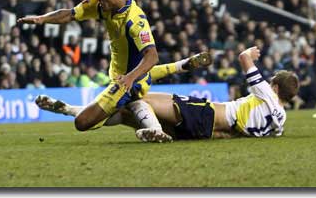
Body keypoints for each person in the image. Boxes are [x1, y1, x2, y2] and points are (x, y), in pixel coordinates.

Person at [18, 0, 211, 142]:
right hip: (118, 73)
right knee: (123, 110)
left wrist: (129, 78)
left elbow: (152, 57)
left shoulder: (135, 20)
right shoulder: (100, 3)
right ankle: (158, 122)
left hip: (130, 80)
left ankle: (68, 109)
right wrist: (41, 19)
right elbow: (69, 14)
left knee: (83, 122)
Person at [36, 47, 299, 140]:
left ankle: (155, 131)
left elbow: (243, 57)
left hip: (207, 113)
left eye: (272, 80)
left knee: (138, 100)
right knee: (129, 113)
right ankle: (70, 109)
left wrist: (252, 53)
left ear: (275, 86)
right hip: (206, 133)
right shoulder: (280, 121)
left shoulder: (266, 93)